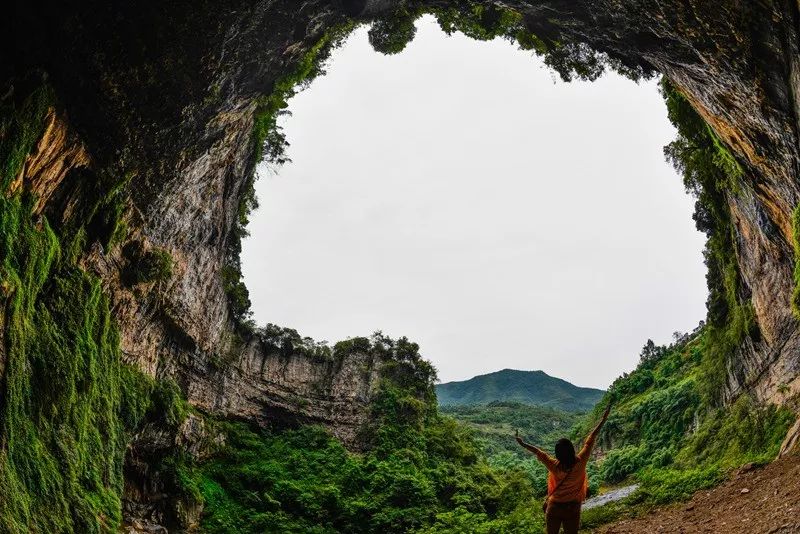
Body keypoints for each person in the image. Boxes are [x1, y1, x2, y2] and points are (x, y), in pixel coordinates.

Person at [515, 402, 611, 534]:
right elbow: (591, 439)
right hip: (573, 507)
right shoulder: (581, 461)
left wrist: (523, 443)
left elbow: (538, 452)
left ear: (557, 454)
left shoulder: (553, 465)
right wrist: (603, 419)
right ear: (572, 450)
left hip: (554, 507)